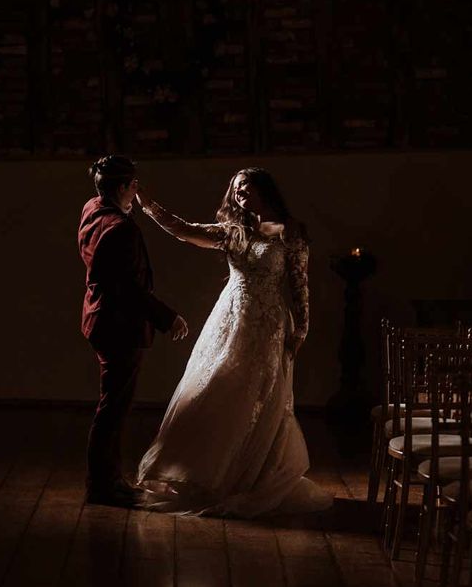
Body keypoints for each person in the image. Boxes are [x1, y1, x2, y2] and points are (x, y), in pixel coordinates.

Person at [135, 167, 333, 517]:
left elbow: (300, 284)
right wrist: (148, 204)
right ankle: (206, 474)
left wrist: (301, 329)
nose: (240, 192)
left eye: (246, 186)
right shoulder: (233, 232)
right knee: (214, 389)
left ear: (263, 190)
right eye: (236, 188)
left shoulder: (290, 231)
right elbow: (185, 231)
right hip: (229, 319)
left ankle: (250, 477)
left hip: (269, 324)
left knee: (258, 395)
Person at [78, 155, 189, 508]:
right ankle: (102, 485)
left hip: (98, 319)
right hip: (119, 325)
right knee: (113, 408)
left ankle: (109, 480)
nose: (137, 191)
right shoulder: (122, 229)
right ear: (124, 187)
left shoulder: (92, 209)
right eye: (134, 185)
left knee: (112, 405)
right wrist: (168, 318)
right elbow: (128, 288)